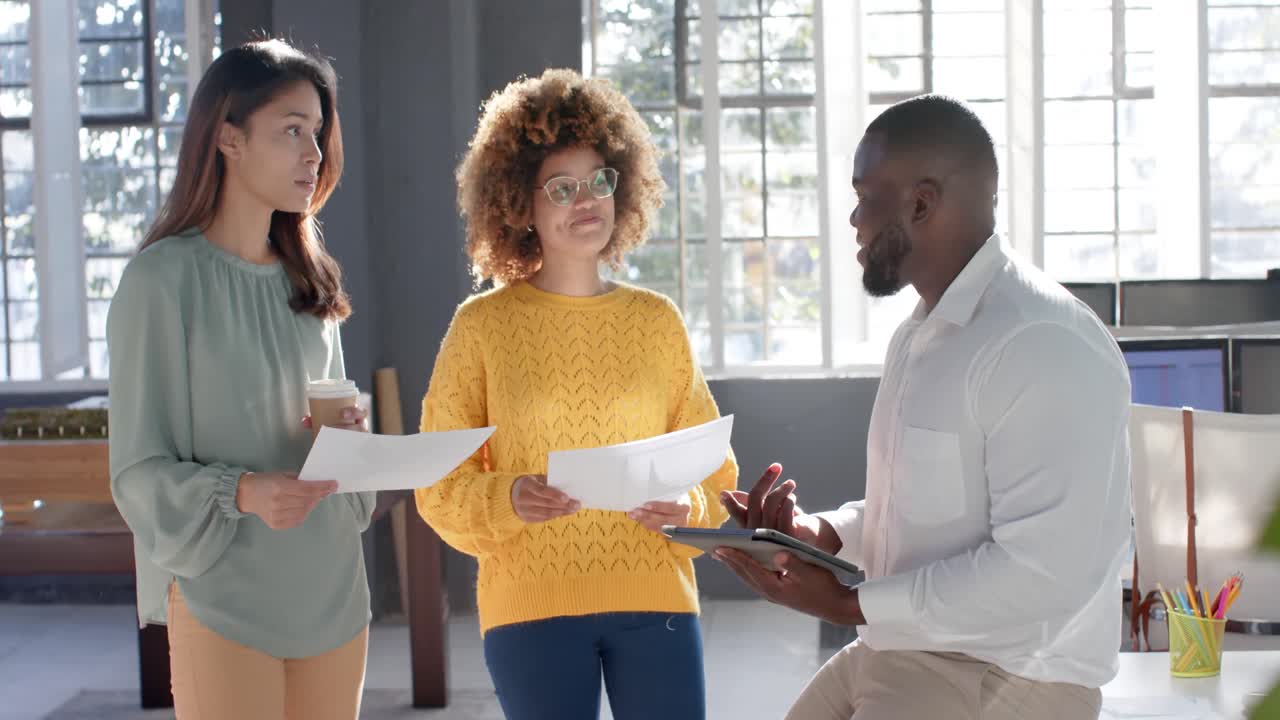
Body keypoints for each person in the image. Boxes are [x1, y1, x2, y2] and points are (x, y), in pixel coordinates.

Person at [715, 94, 1132, 720]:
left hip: (1005, 678)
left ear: (920, 202)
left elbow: (1042, 575)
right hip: (901, 646)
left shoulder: (1041, 343)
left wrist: (846, 604)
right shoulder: (922, 331)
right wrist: (816, 535)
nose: (854, 220)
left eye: (864, 196)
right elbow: (920, 513)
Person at [414, 68, 738, 720]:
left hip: (658, 599)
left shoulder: (658, 322)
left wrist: (689, 503)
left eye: (598, 181)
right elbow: (437, 484)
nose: (585, 199)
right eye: (561, 187)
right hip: (529, 606)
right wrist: (507, 495)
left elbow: (716, 471)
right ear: (519, 206)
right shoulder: (480, 328)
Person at [107, 39, 373, 719]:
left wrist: (348, 440)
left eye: (316, 132)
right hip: (222, 597)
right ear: (228, 138)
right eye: (291, 130)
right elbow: (136, 471)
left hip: (332, 593)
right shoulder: (160, 283)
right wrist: (245, 491)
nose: (313, 153)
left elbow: (329, 455)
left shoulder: (310, 282)